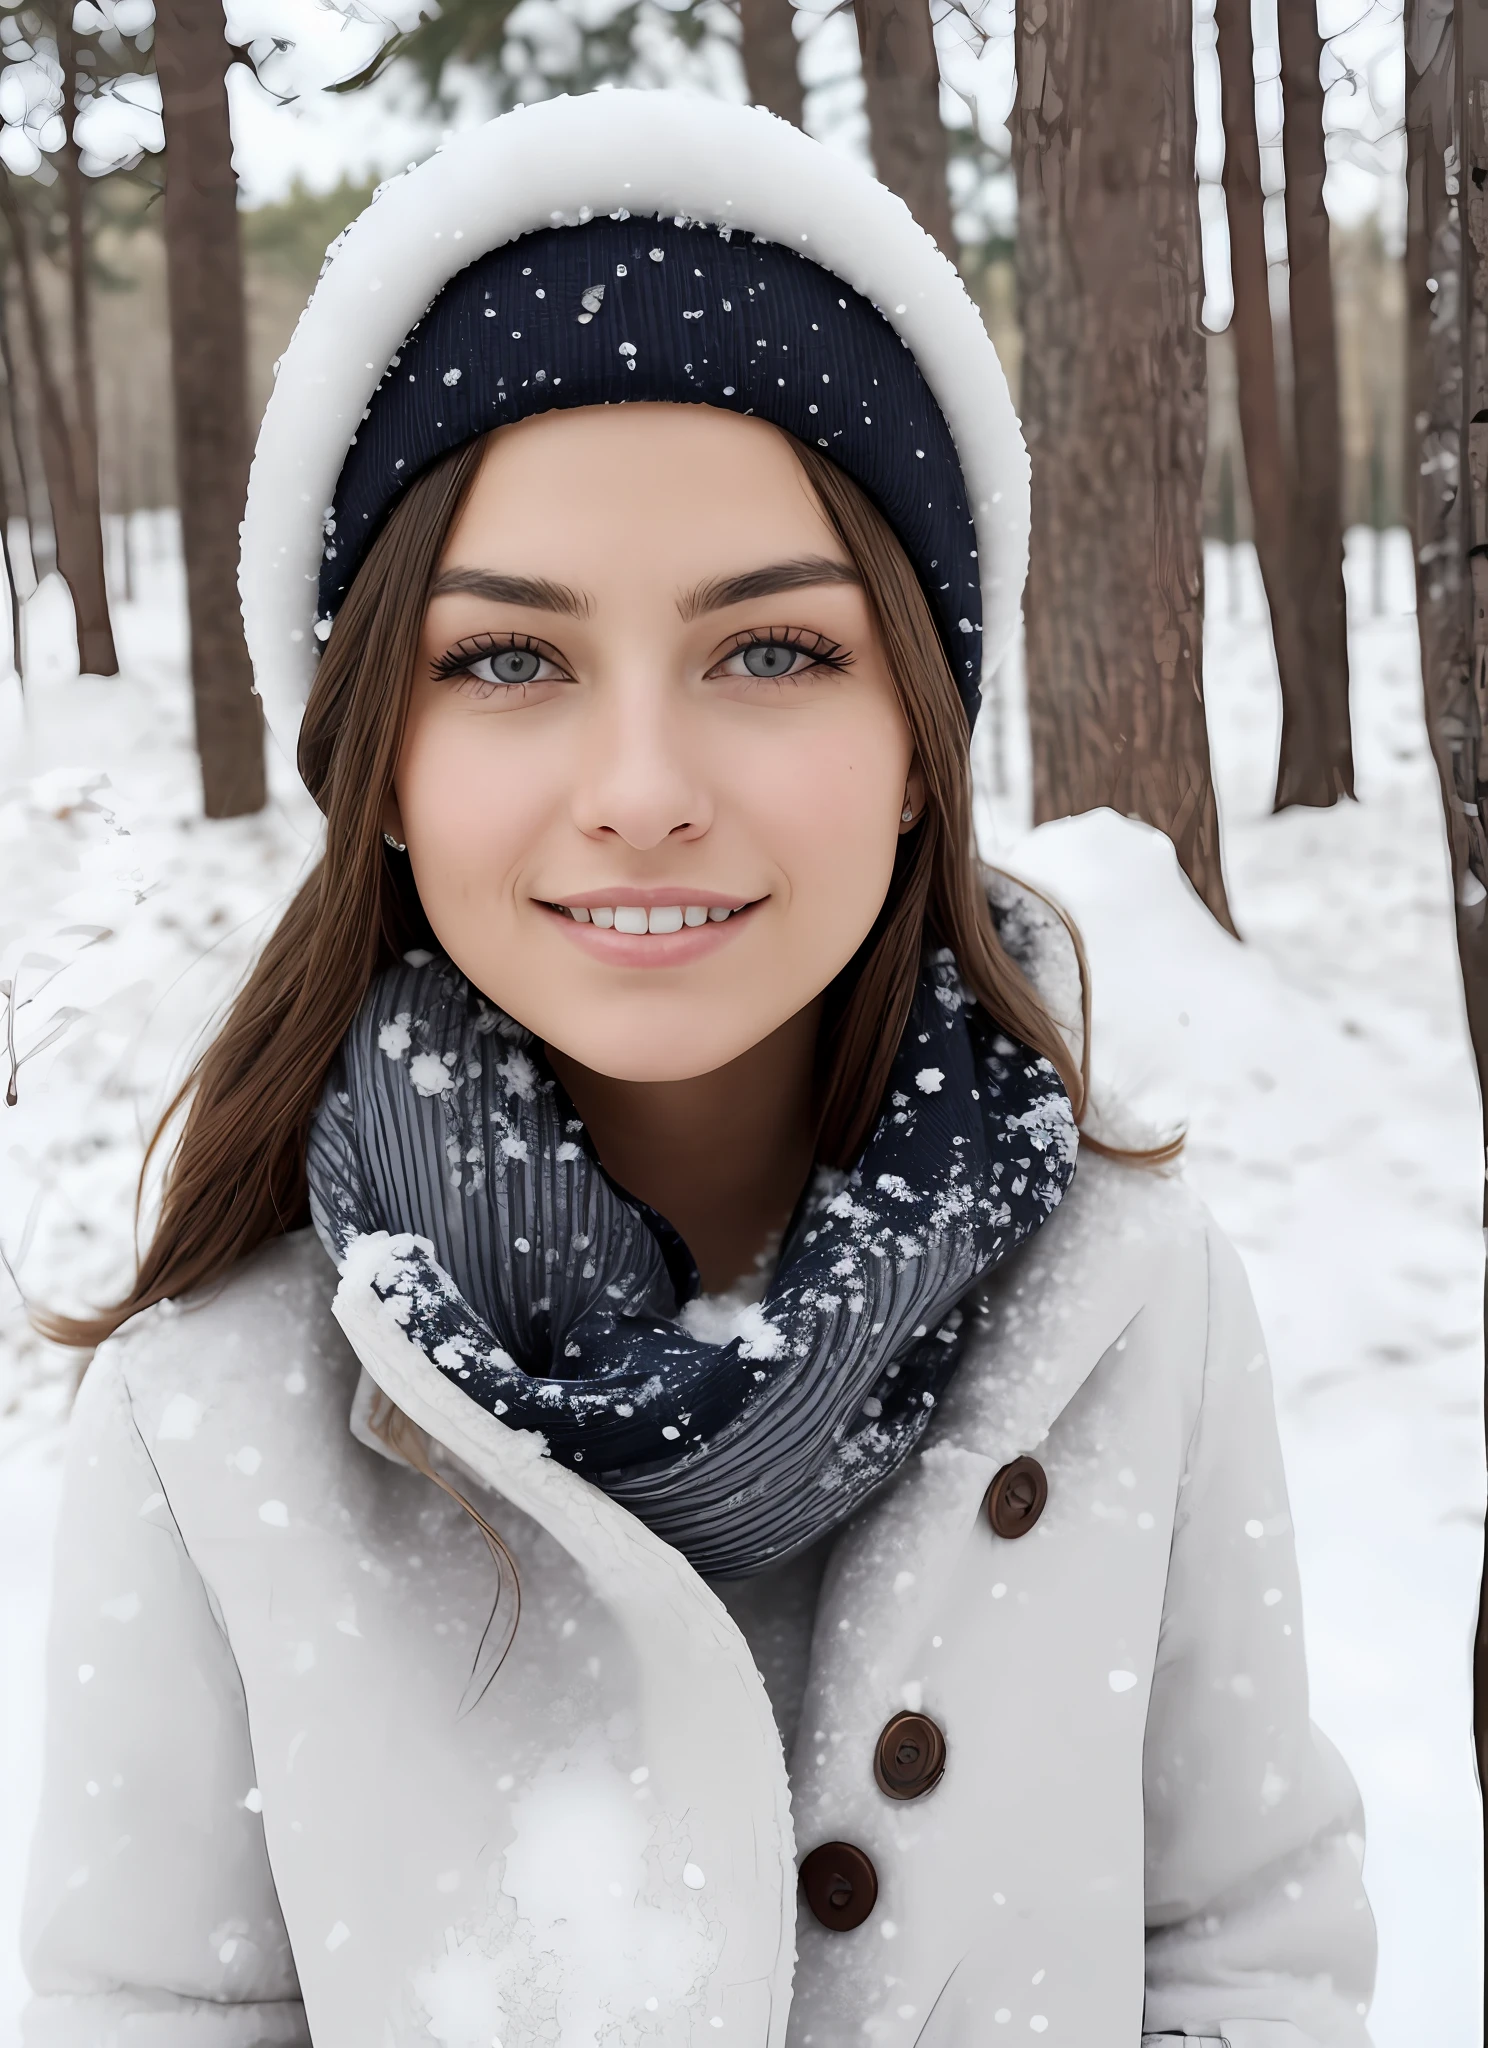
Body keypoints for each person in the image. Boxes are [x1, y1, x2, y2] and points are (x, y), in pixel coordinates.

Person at [21, 91, 1375, 2048]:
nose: (644, 790)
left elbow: (1249, 1950)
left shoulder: (1133, 1305)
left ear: (920, 735)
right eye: (508, 661)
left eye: (770, 654)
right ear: (379, 763)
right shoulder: (213, 1406)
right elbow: (145, 2009)